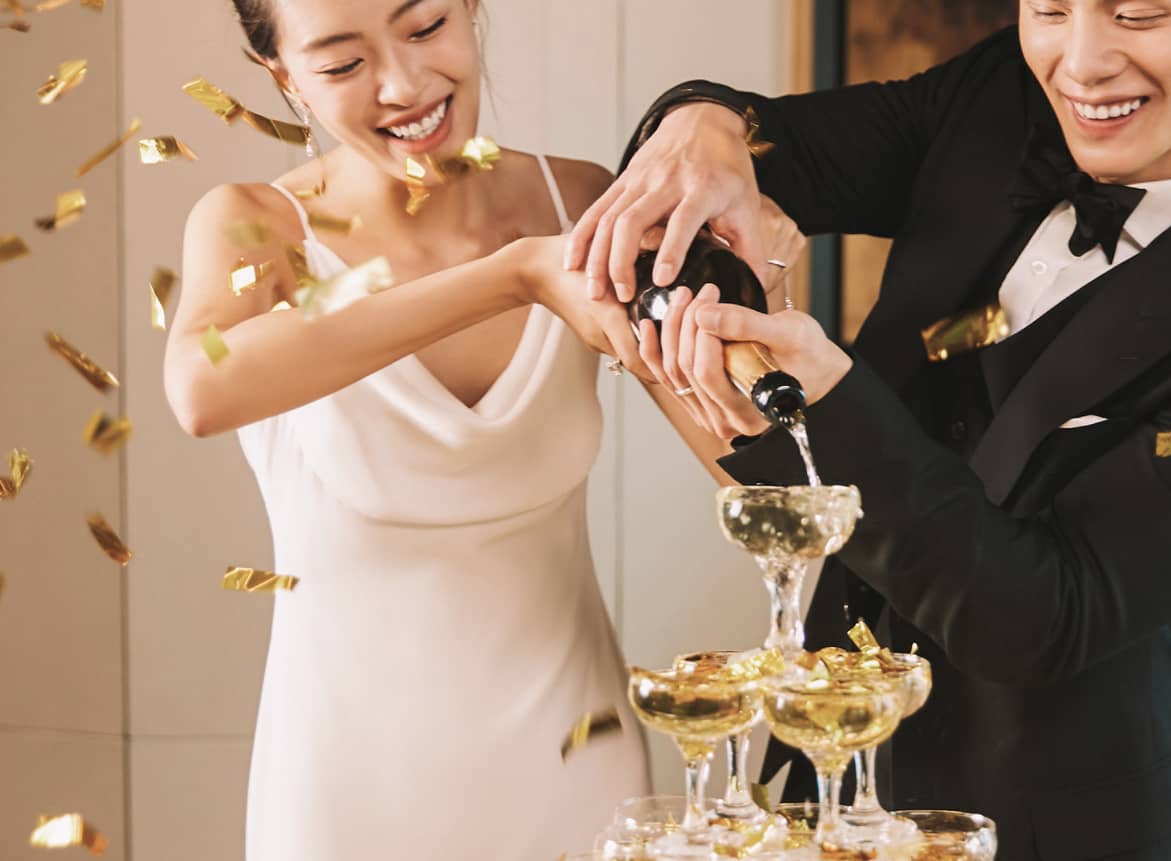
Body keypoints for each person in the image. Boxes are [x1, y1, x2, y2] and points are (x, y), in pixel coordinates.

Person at [566, 0, 1171, 857]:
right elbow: (752, 161)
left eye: (1138, 14)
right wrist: (704, 121)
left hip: (1044, 823)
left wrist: (830, 399)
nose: (1082, 62)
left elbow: (1035, 616)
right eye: (1051, 9)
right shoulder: (1004, 90)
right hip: (823, 787)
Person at [161, 0, 802, 857]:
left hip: (573, 756)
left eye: (426, 27)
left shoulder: (579, 203)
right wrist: (517, 276)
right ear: (284, 78)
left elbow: (763, 483)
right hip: (348, 780)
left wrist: (767, 311)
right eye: (344, 64)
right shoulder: (259, 228)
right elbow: (202, 388)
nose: (404, 83)